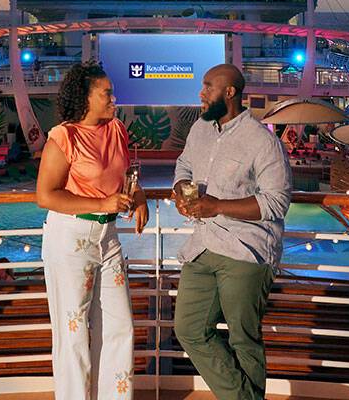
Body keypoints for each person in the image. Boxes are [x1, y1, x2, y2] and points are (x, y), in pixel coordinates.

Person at [172, 64, 290, 400]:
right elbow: (183, 165)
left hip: (246, 249)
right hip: (204, 244)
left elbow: (276, 203)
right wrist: (181, 188)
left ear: (229, 93)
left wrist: (218, 205)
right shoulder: (200, 129)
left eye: (208, 86)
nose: (201, 92)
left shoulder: (263, 142)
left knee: (243, 338)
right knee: (189, 329)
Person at [33, 60, 147, 400]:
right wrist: (101, 204)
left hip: (108, 238)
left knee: (120, 325)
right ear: (85, 97)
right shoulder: (63, 137)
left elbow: (125, 178)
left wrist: (138, 197)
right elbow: (45, 195)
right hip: (70, 238)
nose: (115, 99)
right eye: (107, 93)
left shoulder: (117, 130)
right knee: (73, 332)